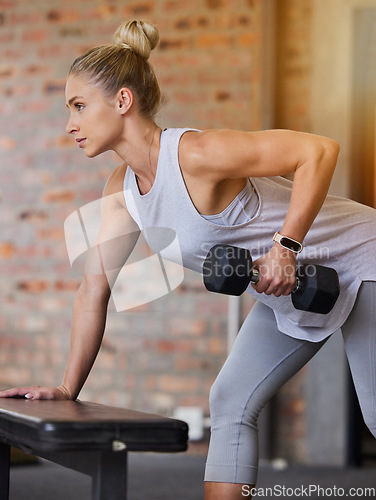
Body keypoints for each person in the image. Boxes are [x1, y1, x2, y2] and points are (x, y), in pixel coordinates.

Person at [0, 19, 375, 500]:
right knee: (230, 400)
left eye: (78, 106)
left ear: (122, 101)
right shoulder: (123, 190)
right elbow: (94, 290)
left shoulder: (195, 154)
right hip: (298, 289)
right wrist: (67, 389)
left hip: (362, 256)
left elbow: (318, 151)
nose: (69, 123)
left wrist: (285, 246)